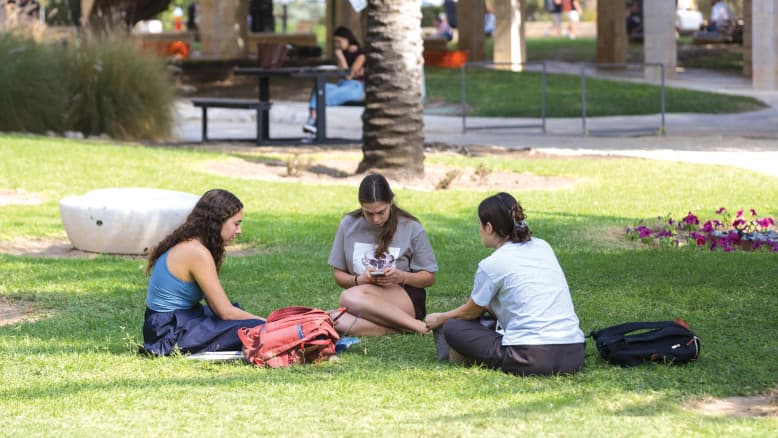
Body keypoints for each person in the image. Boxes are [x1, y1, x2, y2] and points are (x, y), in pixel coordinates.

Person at [425, 193, 585, 376]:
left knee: (454, 327)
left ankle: (499, 355)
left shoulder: (492, 264)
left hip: (531, 358)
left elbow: (470, 312)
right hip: (574, 353)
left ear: (489, 227)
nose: (479, 229)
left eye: (479, 224)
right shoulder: (543, 246)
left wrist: (441, 318)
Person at [142, 189, 265, 356]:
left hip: (169, 323)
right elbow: (226, 312)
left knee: (242, 317)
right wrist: (270, 323)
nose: (239, 231)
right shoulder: (196, 252)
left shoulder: (192, 244)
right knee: (252, 328)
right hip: (169, 333)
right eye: (236, 224)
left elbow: (219, 307)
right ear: (217, 221)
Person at [328, 174, 438, 336]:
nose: (375, 219)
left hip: (403, 295)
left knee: (347, 297)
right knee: (333, 318)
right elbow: (338, 275)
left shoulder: (411, 227)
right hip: (363, 297)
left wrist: (400, 277)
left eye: (381, 212)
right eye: (369, 213)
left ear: (390, 202)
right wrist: (360, 280)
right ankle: (396, 328)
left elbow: (429, 277)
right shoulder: (348, 224)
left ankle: (419, 327)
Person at [302, 26, 365, 135]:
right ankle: (312, 120)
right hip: (342, 84)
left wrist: (340, 57)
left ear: (347, 39)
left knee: (322, 97)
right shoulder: (343, 52)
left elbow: (348, 75)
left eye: (339, 41)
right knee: (321, 87)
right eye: (335, 42)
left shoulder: (361, 54)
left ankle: (313, 120)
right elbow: (342, 73)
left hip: (355, 87)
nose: (337, 45)